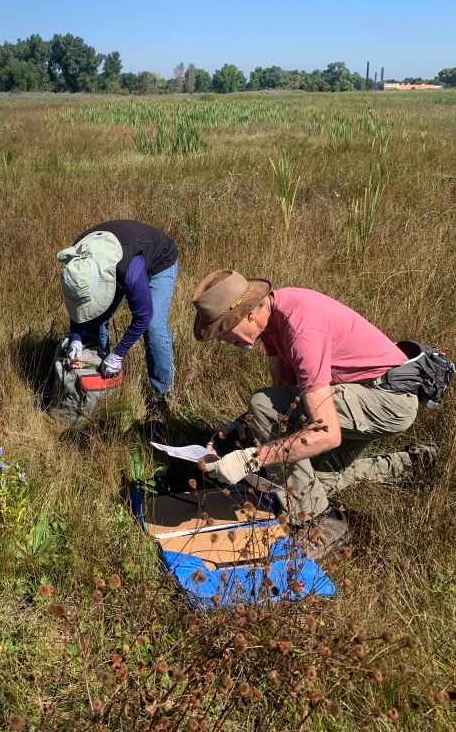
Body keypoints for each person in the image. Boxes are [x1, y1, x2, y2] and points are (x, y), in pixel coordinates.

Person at [191, 269, 437, 557]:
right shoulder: (271, 321)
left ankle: (322, 522)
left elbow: (325, 432)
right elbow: (284, 397)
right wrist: (239, 430)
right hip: (357, 397)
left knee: (270, 427)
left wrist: (251, 459)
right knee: (307, 483)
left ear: (247, 315)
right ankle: (410, 462)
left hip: (388, 402)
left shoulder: (300, 329)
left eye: (223, 330)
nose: (222, 341)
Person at [56, 220, 178, 424]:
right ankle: (102, 388)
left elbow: (144, 315)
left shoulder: (128, 269)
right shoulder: (77, 263)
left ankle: (162, 398)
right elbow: (78, 301)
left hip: (158, 259)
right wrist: (76, 337)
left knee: (154, 327)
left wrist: (118, 355)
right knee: (94, 318)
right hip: (120, 259)